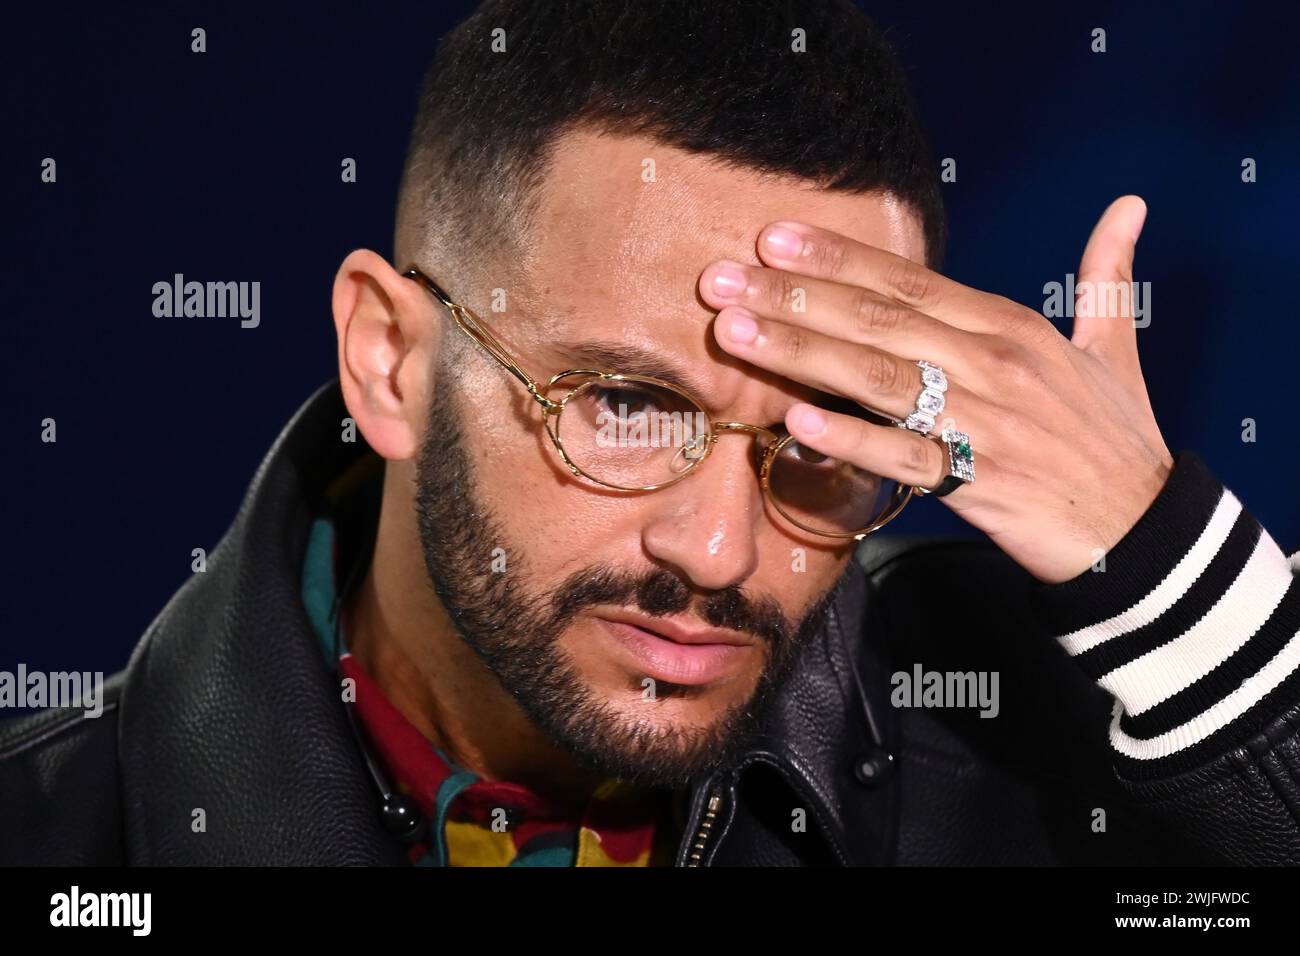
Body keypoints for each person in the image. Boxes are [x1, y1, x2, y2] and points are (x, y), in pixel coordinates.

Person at [4, 0, 1298, 866]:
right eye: (625, 406)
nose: (722, 552)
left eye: (818, 439)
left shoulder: (1031, 752)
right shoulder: (59, 829)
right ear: (390, 361)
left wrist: (1169, 572)